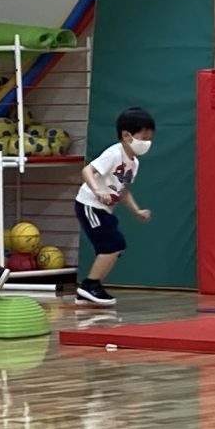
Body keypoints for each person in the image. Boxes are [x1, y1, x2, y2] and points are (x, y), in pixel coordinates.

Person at [74, 106, 154, 306]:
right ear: (126, 135)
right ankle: (90, 286)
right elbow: (87, 171)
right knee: (113, 245)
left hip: (104, 209)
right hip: (89, 204)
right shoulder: (114, 153)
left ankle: (90, 288)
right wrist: (97, 191)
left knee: (114, 248)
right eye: (143, 137)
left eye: (149, 138)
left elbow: (123, 191)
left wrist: (136, 211)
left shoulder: (134, 163)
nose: (147, 142)